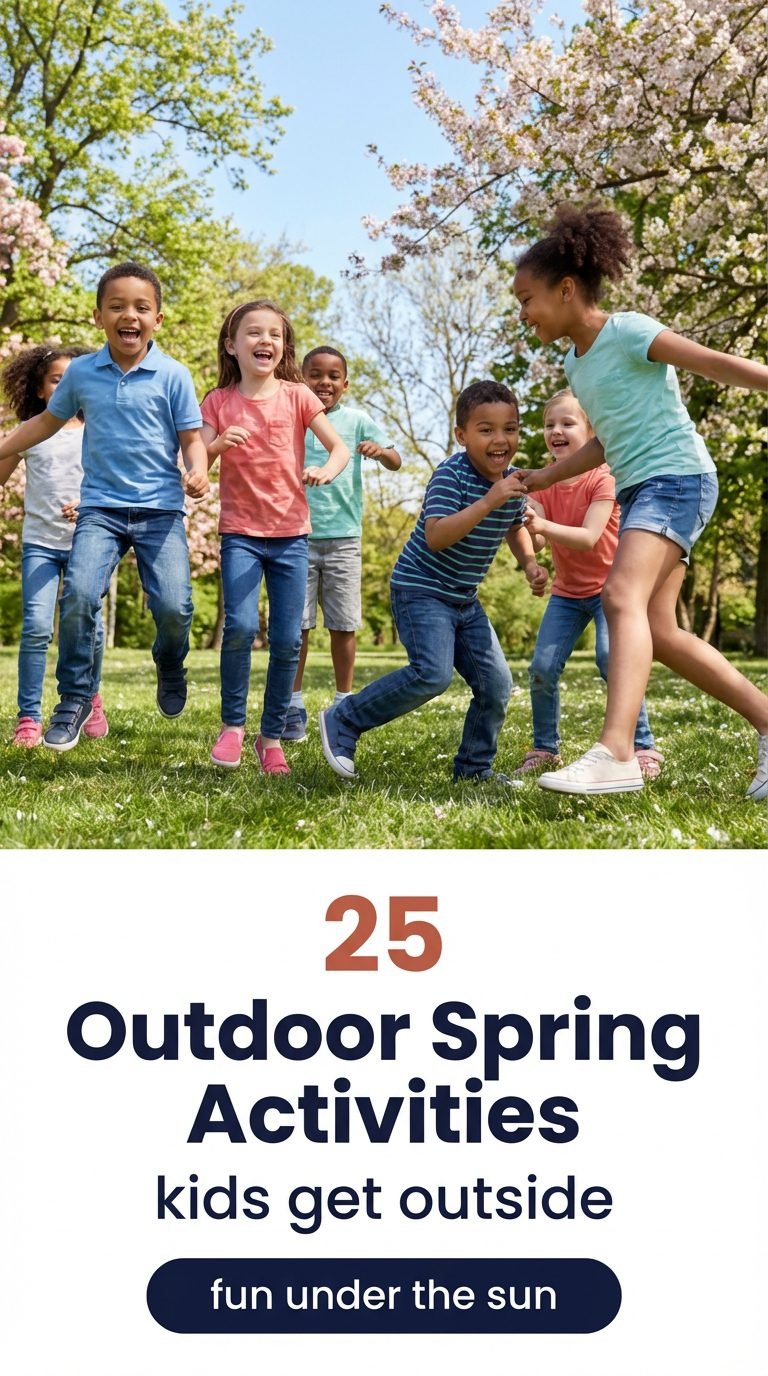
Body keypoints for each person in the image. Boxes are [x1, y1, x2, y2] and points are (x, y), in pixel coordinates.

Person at [514, 204, 768, 798]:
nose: (522, 313)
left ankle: (619, 752)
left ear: (567, 288)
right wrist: (543, 476)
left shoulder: (627, 330)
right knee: (662, 630)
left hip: (676, 479)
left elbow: (713, 363)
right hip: (644, 487)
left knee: (619, 594)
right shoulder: (576, 365)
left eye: (527, 299)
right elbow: (603, 442)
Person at [0, 261, 210, 752]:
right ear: (98, 316)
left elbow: (192, 440)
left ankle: (169, 660)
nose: (128, 314)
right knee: (78, 597)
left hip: (160, 511)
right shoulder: (81, 374)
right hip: (101, 510)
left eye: (141, 307)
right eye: (117, 306)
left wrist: (198, 469)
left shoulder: (174, 375)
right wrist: (4, 444)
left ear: (157, 318)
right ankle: (73, 698)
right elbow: (45, 423)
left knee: (176, 608)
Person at [318, 380, 547, 783]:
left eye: (510, 429)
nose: (501, 439)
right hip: (420, 589)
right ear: (462, 435)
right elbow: (437, 536)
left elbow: (514, 527)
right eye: (486, 429)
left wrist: (529, 564)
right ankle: (345, 718)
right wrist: (489, 500)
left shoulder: (511, 482)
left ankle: (474, 768)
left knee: (496, 685)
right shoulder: (450, 475)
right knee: (432, 674)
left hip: (463, 599)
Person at [201, 301, 349, 773]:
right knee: (241, 627)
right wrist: (217, 446)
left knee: (288, 640)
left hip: (290, 535)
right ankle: (231, 728)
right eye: (253, 333)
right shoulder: (218, 402)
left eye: (274, 334)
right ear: (232, 345)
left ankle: (271, 737)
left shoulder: (298, 396)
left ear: (283, 347)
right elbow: (196, 463)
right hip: (240, 534)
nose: (265, 340)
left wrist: (326, 469)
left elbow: (340, 447)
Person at [513, 388, 662, 779]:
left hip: (610, 591)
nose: (555, 431)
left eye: (567, 423)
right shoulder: (543, 481)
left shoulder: (603, 477)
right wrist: (531, 543)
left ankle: (642, 745)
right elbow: (541, 538)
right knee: (542, 667)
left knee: (612, 660)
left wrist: (542, 524)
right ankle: (545, 748)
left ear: (591, 431)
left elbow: (589, 536)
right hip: (566, 592)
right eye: (549, 425)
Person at [282, 346, 402, 742]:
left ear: (345, 384)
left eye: (334, 376)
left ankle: (343, 701)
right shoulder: (294, 418)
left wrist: (380, 451)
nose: (324, 383)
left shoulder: (357, 420)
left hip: (344, 539)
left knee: (343, 624)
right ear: (302, 379)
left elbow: (396, 460)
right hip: (296, 536)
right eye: (315, 375)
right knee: (297, 626)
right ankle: (292, 705)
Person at [0, 344, 108, 747]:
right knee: (35, 629)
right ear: (42, 390)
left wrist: (90, 504)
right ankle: (28, 716)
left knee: (91, 630)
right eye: (56, 379)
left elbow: (115, 484)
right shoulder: (31, 433)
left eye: (71, 379)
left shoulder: (98, 429)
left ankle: (87, 697)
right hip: (41, 546)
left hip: (90, 543)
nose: (65, 385)